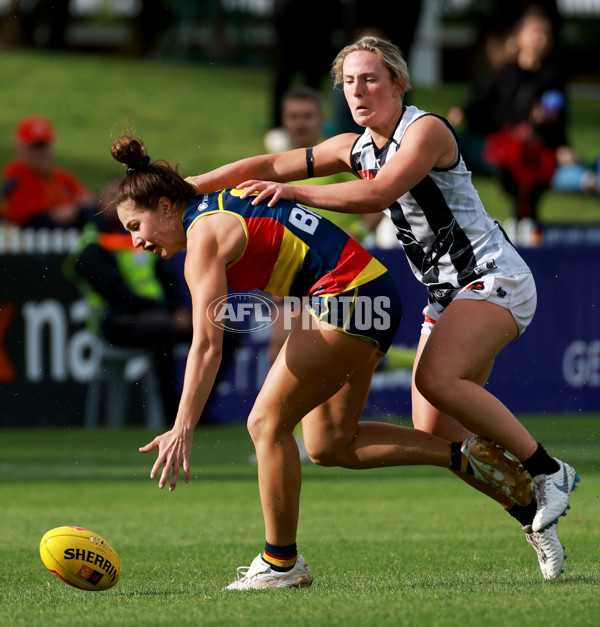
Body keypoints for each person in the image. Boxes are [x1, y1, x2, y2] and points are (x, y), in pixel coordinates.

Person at [186, 35, 579, 581]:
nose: (357, 90)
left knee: (436, 380)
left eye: (370, 78)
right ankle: (532, 515)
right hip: (447, 296)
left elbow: (377, 195)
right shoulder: (356, 146)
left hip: (494, 279)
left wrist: (298, 192)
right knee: (437, 433)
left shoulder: (427, 131)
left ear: (399, 83)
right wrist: (191, 187)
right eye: (348, 82)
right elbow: (271, 162)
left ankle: (548, 469)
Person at [111, 134, 534, 590]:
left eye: (137, 225)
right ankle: (464, 454)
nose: (136, 241)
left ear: (167, 206)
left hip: (348, 297)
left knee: (265, 423)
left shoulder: (203, 238)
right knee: (330, 444)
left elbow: (207, 346)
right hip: (370, 293)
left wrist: (182, 426)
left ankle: (281, 563)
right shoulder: (214, 202)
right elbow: (267, 169)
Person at [446, 6, 597, 244]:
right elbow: (480, 105)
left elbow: (558, 124)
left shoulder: (553, 77)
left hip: (535, 153)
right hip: (499, 148)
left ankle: (529, 225)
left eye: (545, 33)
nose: (540, 38)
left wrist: (560, 145)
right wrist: (463, 111)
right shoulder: (504, 73)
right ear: (520, 36)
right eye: (535, 32)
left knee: (541, 166)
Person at [1, 116, 96, 229]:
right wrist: (74, 209)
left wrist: (72, 210)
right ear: (20, 148)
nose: (41, 152)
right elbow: (32, 219)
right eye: (34, 146)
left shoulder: (58, 175)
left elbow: (88, 199)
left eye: (44, 145)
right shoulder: (15, 176)